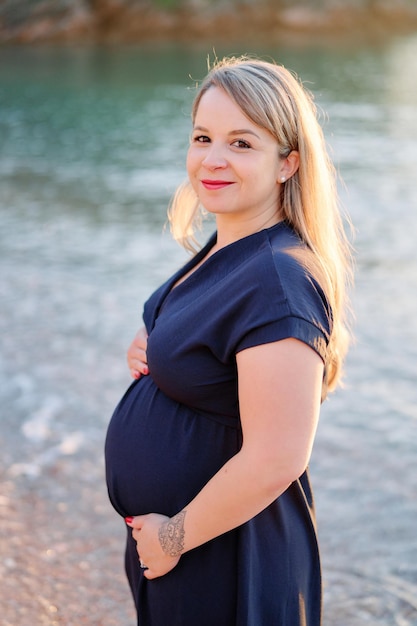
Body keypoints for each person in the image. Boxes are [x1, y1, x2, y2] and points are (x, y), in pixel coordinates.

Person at [105, 55, 352, 626]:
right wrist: (156, 339)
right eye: (203, 137)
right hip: (186, 548)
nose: (212, 160)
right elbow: (215, 340)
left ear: (288, 163)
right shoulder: (228, 246)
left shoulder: (280, 277)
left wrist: (172, 538)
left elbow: (279, 454)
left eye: (242, 143)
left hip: (227, 553)